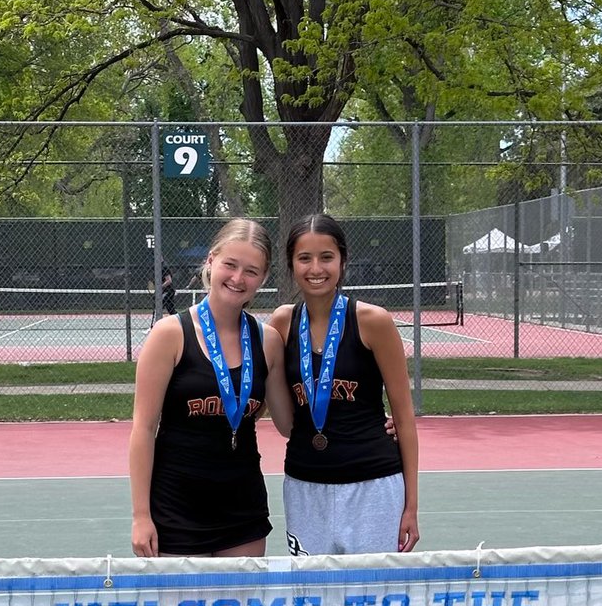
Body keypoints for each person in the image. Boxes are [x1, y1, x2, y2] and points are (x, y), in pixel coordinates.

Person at [129, 219, 292, 557]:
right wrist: (141, 516)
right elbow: (143, 429)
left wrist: (373, 421)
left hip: (242, 509)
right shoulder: (169, 334)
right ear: (211, 261)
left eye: (251, 270)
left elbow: (289, 423)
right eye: (230, 264)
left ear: (263, 278)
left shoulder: (269, 341)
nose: (237, 278)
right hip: (176, 508)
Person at [269, 213, 420, 555]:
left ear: (342, 261)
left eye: (326, 257)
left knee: (372, 596)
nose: (315, 268)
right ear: (291, 264)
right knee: (311, 595)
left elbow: (405, 418)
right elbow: (264, 399)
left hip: (373, 485)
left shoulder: (373, 321)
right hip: (305, 484)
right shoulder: (281, 323)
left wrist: (411, 506)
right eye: (304, 258)